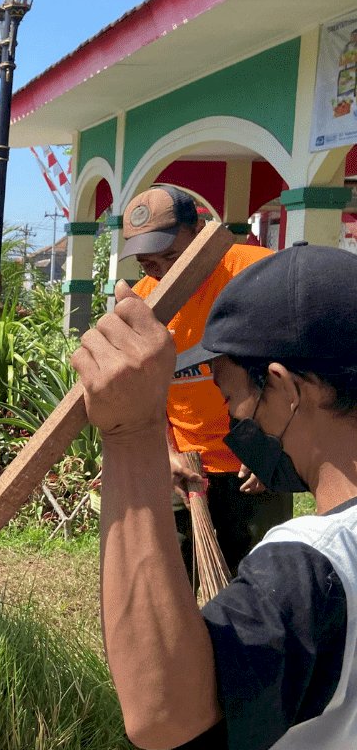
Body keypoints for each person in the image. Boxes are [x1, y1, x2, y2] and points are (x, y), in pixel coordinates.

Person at [71, 244, 357, 750]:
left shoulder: (320, 561)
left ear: (288, 388)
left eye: (238, 400)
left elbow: (162, 708)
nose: (239, 424)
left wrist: (132, 436)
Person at [121, 184, 291, 578]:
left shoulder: (254, 272)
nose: (163, 272)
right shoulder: (145, 303)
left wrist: (272, 448)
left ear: (200, 233)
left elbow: (292, 368)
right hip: (185, 466)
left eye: (173, 256)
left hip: (253, 467)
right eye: (149, 264)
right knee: (172, 584)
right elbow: (149, 392)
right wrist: (167, 453)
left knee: (259, 588)